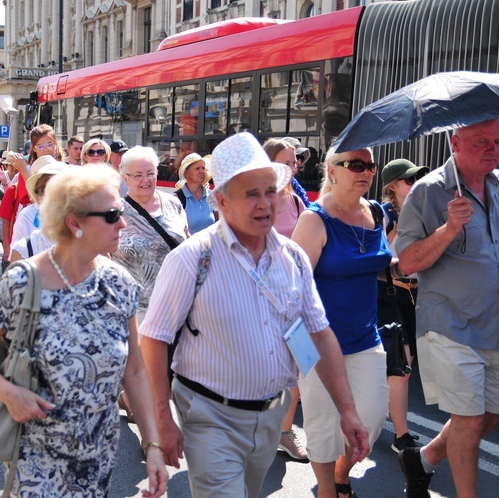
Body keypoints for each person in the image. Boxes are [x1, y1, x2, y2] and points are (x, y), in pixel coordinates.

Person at [140, 132, 370, 498]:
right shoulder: (192, 258)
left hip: (270, 415)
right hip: (208, 415)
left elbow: (319, 334)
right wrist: (161, 421)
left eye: (270, 191)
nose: (265, 204)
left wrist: (348, 411)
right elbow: (153, 338)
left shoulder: (293, 257)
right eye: (251, 194)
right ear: (222, 202)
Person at [0, 164, 168, 497]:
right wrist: (7, 392)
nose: (123, 223)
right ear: (75, 222)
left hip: (98, 456)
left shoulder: (121, 285)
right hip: (34, 457)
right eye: (112, 215)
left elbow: (136, 372)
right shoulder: (23, 281)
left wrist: (152, 442)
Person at [395, 117, 499, 498]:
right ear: (455, 142)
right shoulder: (428, 192)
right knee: (469, 418)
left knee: (490, 417)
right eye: (481, 141)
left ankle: (424, 458)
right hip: (451, 324)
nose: (493, 149)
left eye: (498, 141)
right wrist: (447, 229)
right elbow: (407, 262)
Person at [291, 146, 390, 498]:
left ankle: (341, 472)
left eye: (370, 166)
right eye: (356, 165)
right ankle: (328, 491)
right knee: (320, 425)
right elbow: (294, 288)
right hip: (315, 342)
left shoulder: (377, 213)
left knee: (373, 419)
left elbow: (381, 262)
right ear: (332, 170)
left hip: (365, 337)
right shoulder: (314, 219)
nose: (365, 171)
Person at [261, 138, 308, 461]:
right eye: (286, 162)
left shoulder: (296, 199)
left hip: (297, 297)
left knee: (303, 365)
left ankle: (283, 432)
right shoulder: (259, 199)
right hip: (263, 298)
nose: (293, 167)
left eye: (295, 162)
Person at [378, 159, 428, 454]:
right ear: (391, 187)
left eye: (417, 179)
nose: (415, 184)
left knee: (402, 366)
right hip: (390, 294)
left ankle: (380, 409)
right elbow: (373, 258)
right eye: (409, 180)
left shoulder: (422, 211)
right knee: (403, 365)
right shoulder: (384, 215)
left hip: (416, 295)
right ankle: (401, 435)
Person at [111, 146, 188, 321]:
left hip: (178, 306)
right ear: (125, 178)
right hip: (136, 314)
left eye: (150, 173)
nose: (145, 180)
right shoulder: (115, 212)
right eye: (138, 175)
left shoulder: (173, 204)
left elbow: (187, 242)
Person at [0, 125, 62, 268]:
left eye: (50, 144)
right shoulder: (28, 215)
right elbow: (33, 197)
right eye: (40, 146)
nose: (46, 149)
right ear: (34, 148)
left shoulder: (67, 168)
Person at [9, 156, 66, 259]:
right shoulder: (27, 216)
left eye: (56, 188)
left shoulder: (84, 222)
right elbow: (17, 259)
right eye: (42, 190)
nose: (49, 194)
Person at [174, 153, 215, 234]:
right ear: (186, 173)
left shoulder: (212, 196)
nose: (202, 171)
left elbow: (218, 226)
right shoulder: (177, 198)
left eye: (203, 168)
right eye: (197, 168)